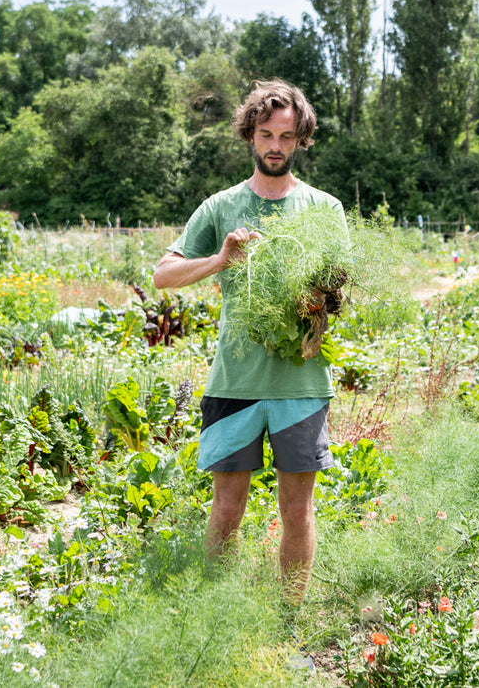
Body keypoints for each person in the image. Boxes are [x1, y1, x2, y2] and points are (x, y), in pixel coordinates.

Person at [152, 79, 343, 602]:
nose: (275, 146)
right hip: (234, 381)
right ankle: (216, 614)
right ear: (250, 137)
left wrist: (316, 301)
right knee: (227, 508)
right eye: (265, 134)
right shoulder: (221, 207)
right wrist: (220, 260)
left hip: (300, 385)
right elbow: (163, 275)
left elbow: (339, 291)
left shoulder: (325, 210)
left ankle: (289, 614)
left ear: (302, 138)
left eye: (286, 135)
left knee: (297, 509)